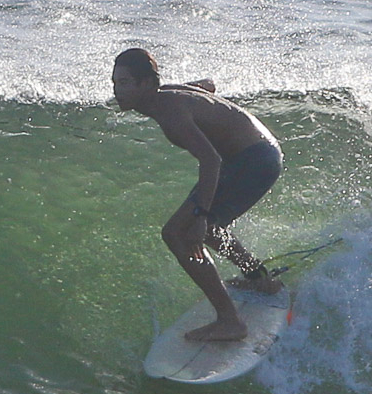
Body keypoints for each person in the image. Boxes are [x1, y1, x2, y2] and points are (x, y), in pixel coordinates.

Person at [111, 47, 283, 342]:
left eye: (125, 83)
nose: (117, 91)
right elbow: (209, 85)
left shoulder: (169, 112)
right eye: (115, 83)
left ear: (146, 83)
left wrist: (201, 215)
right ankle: (259, 279)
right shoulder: (168, 93)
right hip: (253, 153)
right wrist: (203, 100)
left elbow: (210, 160)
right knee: (204, 228)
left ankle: (230, 321)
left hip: (254, 160)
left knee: (179, 232)